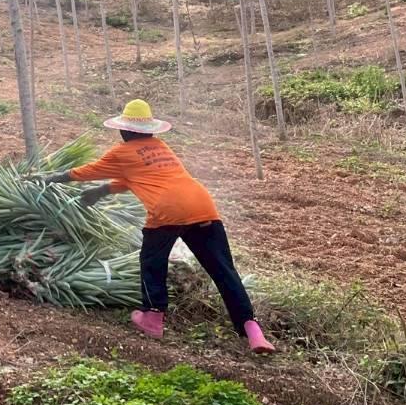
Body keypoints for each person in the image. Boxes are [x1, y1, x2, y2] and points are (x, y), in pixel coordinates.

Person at [38, 99, 276, 354]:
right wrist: (102, 191)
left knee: (152, 262)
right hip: (203, 205)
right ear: (149, 130)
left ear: (124, 130)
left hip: (168, 210)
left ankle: (152, 318)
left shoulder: (122, 152)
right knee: (223, 270)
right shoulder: (161, 147)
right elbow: (138, 177)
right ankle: (252, 331)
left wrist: (52, 179)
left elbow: (90, 170)